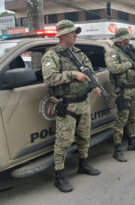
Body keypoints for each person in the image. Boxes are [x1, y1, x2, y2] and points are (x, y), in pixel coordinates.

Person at [42, 20, 101, 193]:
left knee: (84, 136)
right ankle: (59, 177)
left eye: (75, 32)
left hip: (83, 102)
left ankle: (83, 164)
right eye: (71, 32)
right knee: (64, 142)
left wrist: (95, 84)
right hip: (66, 105)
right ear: (61, 35)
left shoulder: (79, 53)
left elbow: (90, 72)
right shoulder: (52, 55)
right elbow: (50, 79)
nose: (75, 35)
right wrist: (74, 74)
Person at [105, 28, 135, 163]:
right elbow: (113, 68)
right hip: (123, 91)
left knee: (134, 117)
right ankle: (117, 150)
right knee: (121, 121)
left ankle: (132, 142)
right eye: (127, 38)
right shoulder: (113, 52)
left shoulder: (129, 51)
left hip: (134, 89)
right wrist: (129, 64)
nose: (129, 40)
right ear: (121, 39)